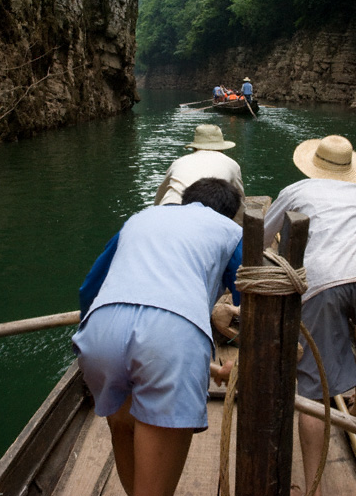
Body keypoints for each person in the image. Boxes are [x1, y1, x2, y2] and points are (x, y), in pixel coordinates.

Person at [72, 178, 243, 496]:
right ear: (231, 214)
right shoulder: (231, 232)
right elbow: (251, 296)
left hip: (101, 330)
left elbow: (89, 289)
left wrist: (87, 334)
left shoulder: (141, 218)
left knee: (121, 427)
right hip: (170, 337)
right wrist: (245, 359)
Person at [263, 135, 356, 496]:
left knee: (312, 390)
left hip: (324, 284)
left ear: (313, 163)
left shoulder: (296, 190)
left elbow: (262, 235)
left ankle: (313, 487)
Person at [154, 123, 245, 223]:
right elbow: (239, 201)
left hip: (168, 208)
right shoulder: (231, 164)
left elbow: (161, 192)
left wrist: (156, 213)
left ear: (194, 148)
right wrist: (239, 228)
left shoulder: (179, 162)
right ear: (222, 148)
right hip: (205, 212)